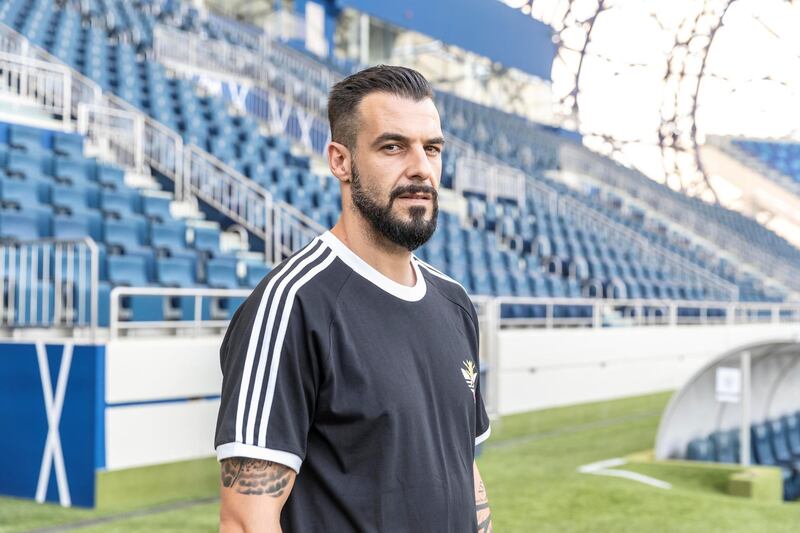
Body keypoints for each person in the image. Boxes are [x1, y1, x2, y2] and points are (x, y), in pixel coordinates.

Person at [214, 65, 493, 532]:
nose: (421, 168)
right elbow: (247, 520)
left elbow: (464, 469)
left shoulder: (455, 304)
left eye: (432, 148)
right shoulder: (292, 304)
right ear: (340, 161)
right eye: (393, 146)